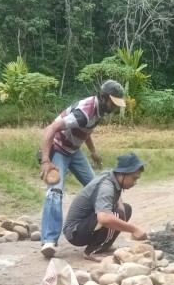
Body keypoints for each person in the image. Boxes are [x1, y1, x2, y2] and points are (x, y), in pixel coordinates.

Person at [38, 80, 127, 259]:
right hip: (59, 149)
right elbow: (51, 128)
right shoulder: (84, 112)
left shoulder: (99, 111)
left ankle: (101, 236)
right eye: (113, 103)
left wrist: (93, 152)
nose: (114, 107)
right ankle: (49, 240)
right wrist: (46, 161)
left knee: (98, 185)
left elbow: (85, 131)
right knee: (55, 191)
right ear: (103, 98)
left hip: (74, 150)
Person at [62, 153, 149, 261]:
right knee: (114, 215)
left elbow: (116, 198)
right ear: (122, 173)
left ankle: (104, 245)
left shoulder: (112, 176)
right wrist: (133, 229)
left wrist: (122, 213)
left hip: (86, 223)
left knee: (125, 209)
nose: (135, 183)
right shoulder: (106, 186)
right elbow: (104, 218)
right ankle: (92, 251)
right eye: (134, 178)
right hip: (75, 232)